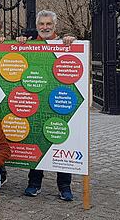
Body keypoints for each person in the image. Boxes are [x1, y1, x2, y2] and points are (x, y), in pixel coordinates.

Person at [17, 10, 76, 202]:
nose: (44, 27)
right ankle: (34, 183)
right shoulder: (29, 43)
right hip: (36, 101)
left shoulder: (65, 43)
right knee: (37, 139)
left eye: (48, 24)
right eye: (41, 24)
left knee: (61, 140)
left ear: (55, 26)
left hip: (60, 100)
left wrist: (71, 41)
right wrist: (17, 43)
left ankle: (64, 186)